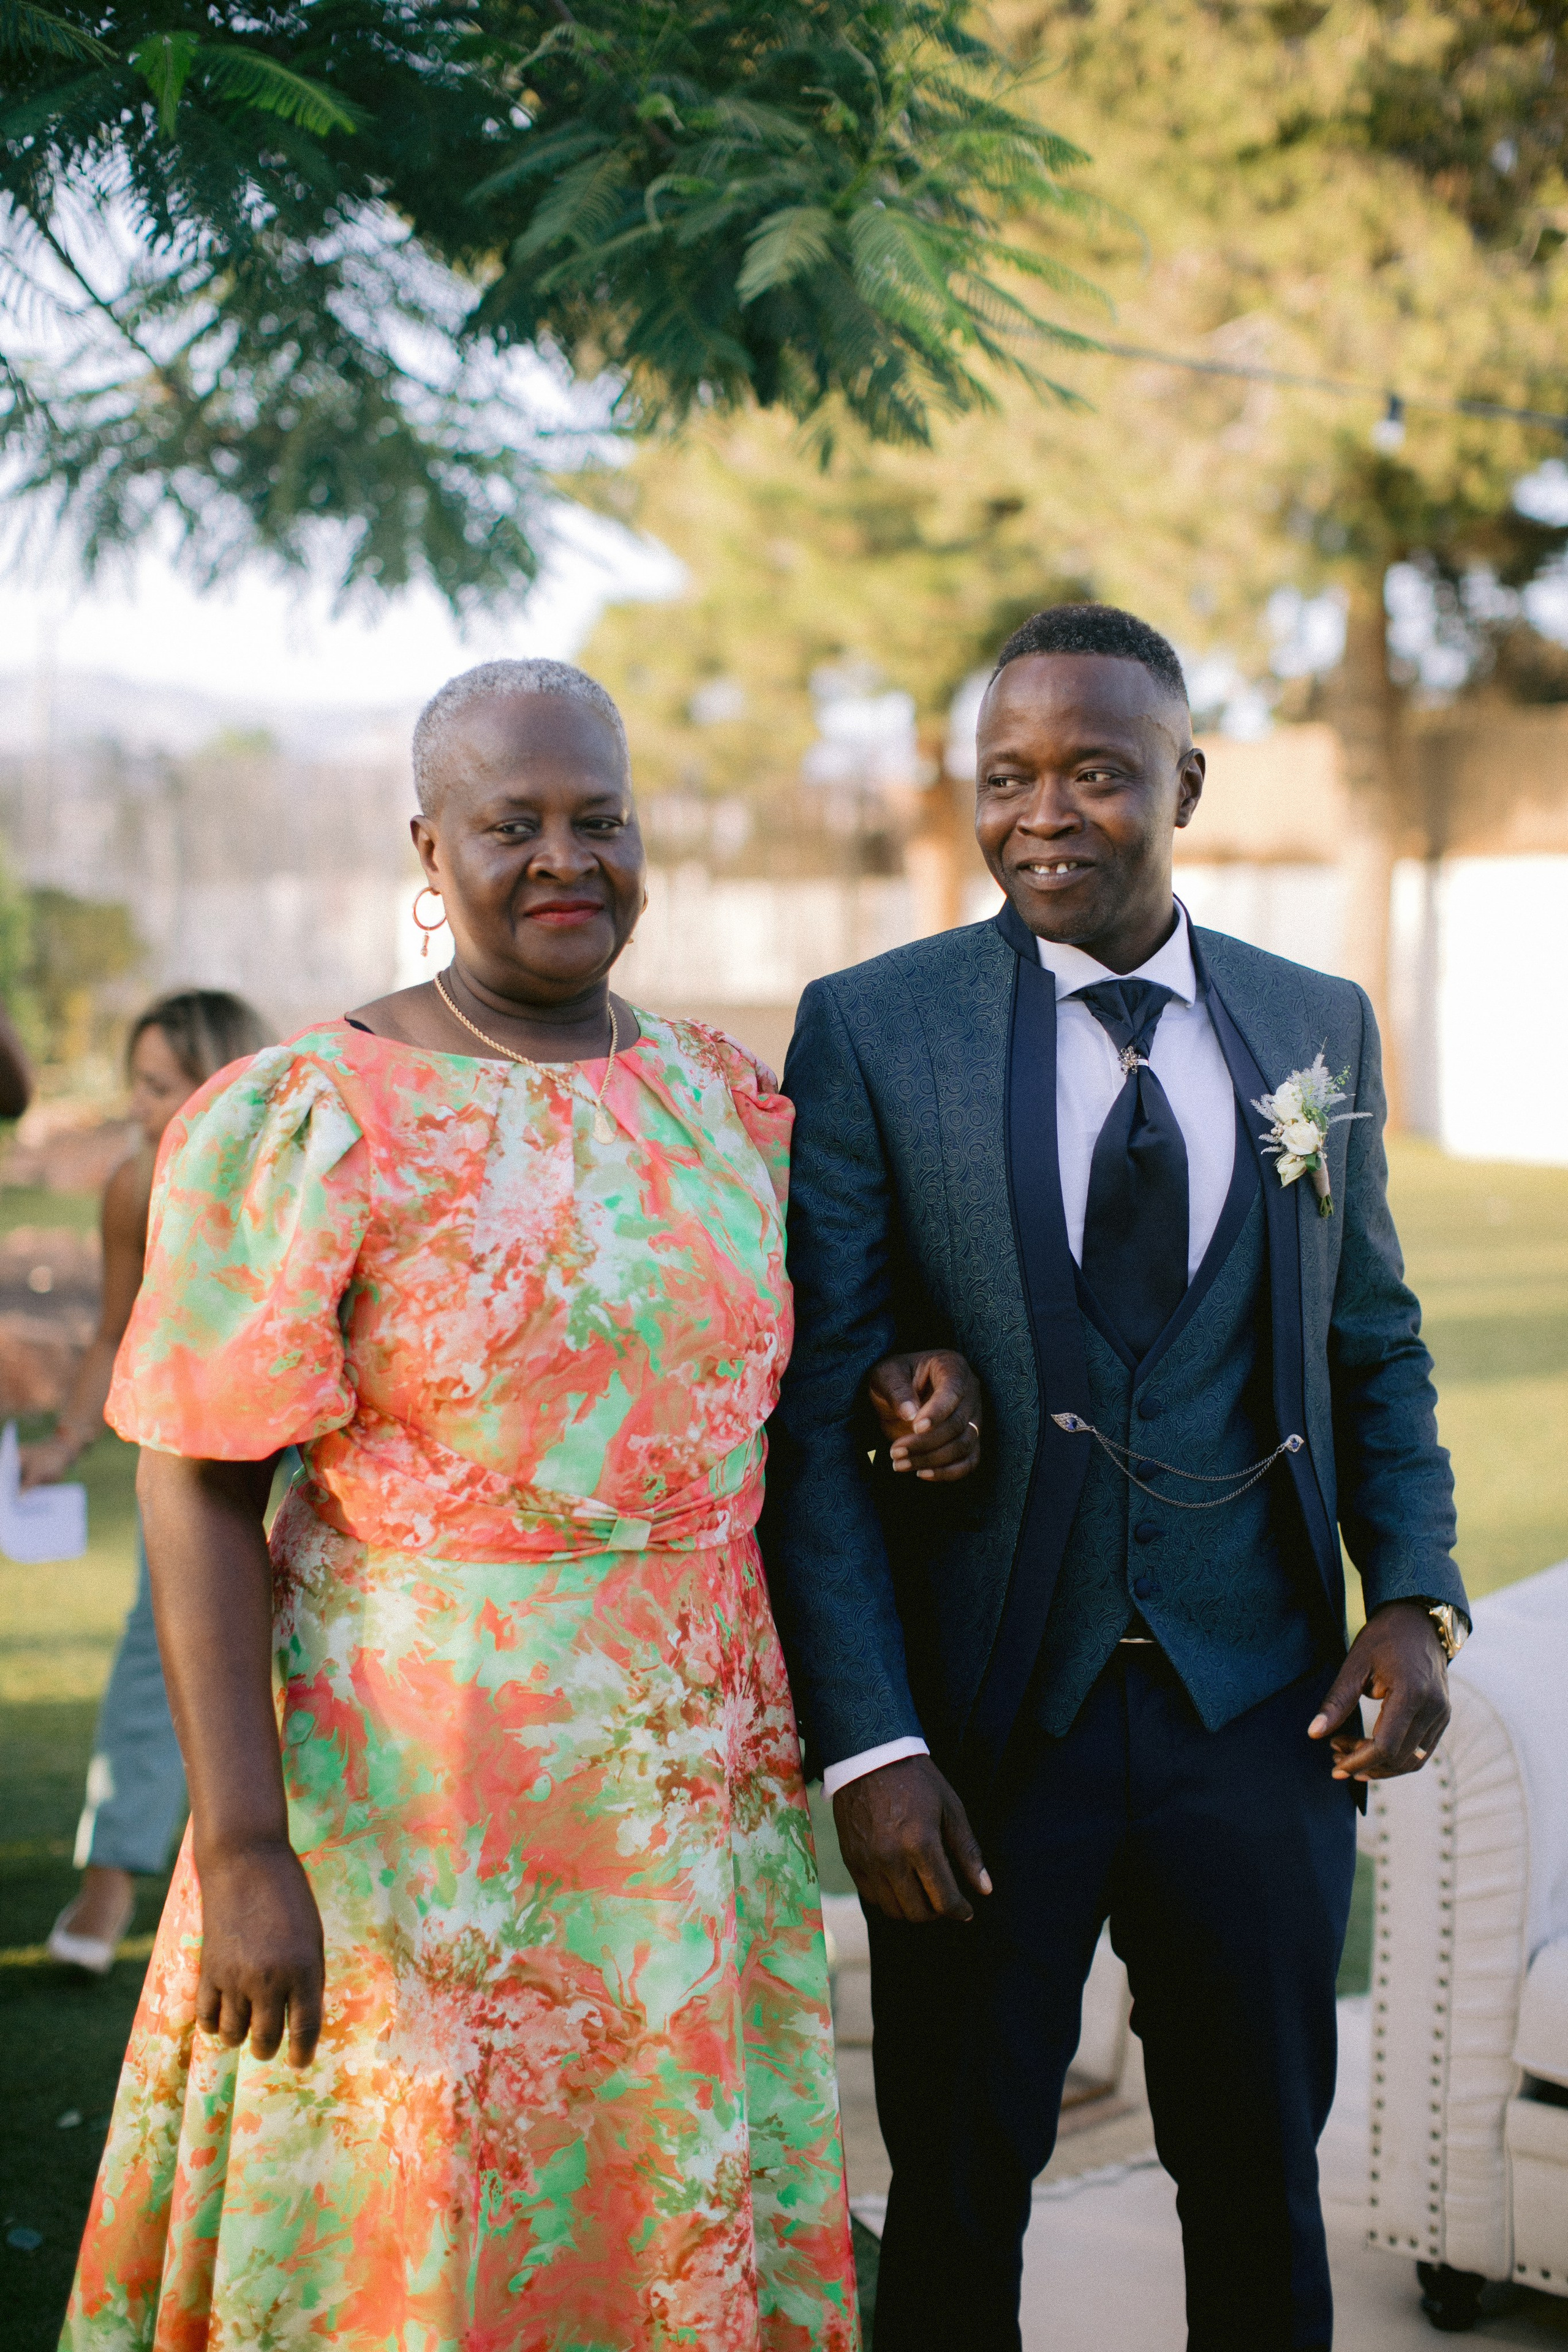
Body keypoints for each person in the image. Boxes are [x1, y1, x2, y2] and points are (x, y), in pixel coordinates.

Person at [62, 658, 978, 2352]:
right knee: (410, 2215)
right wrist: (245, 1843)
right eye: (513, 825)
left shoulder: (720, 1098)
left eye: (600, 819)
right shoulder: (311, 1120)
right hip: (413, 1810)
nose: (568, 858)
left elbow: (746, 1354)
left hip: (681, 1810)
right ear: (430, 846)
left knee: (649, 2208)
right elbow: (193, 1484)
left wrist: (897, 1384)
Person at [763, 603, 1471, 2351]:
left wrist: (1414, 1599)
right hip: (988, 1728)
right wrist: (874, 1744)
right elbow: (815, 1402)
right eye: (1006, 777)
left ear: (1187, 785)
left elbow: (1370, 1341)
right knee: (957, 2180)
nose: (1044, 814)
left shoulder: (1316, 1024)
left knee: (1257, 2180)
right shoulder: (873, 1027)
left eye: (1096, 772)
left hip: (1261, 1716)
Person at [35, 990, 273, 1975]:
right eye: (135, 1084)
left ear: (221, 1084)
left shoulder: (292, 1171)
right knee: (155, 1652)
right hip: (189, 1451)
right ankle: (113, 1878)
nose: (138, 1107)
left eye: (159, 1087)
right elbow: (112, 1332)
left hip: (306, 1444)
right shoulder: (136, 1185)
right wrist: (64, 1439)